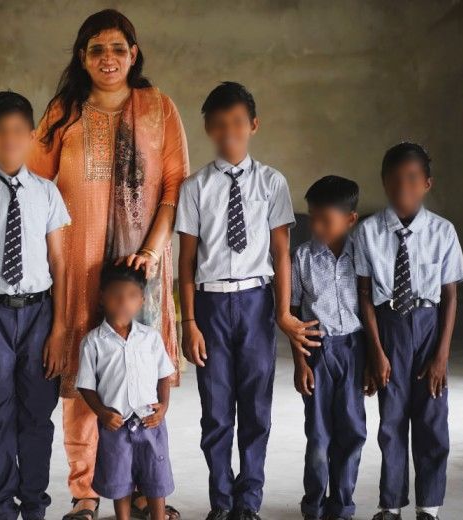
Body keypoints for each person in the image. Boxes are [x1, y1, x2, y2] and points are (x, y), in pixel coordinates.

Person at [0, 9, 188, 520]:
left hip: (138, 269)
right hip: (75, 266)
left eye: (118, 49)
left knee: (140, 373)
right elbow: (26, 183)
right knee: (83, 372)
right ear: (82, 57)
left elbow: (175, 189)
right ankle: (85, 491)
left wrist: (149, 253)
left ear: (134, 53)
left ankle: (146, 488)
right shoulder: (63, 111)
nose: (108, 59)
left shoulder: (159, 109)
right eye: (97, 49)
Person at [176, 81, 316, 520]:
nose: (228, 132)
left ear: (253, 125)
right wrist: (190, 323)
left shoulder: (272, 182)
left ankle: (248, 502)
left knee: (256, 407)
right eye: (219, 125)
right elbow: (186, 260)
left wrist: (283, 312)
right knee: (216, 411)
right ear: (208, 129)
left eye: (237, 122)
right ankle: (221, 503)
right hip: (211, 304)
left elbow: (281, 253)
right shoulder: (195, 187)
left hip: (256, 302)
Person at [0, 90, 71, 520]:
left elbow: (59, 261)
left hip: (39, 314)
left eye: (18, 132)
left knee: (37, 415)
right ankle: (3, 506)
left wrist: (59, 329)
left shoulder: (47, 193)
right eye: (0, 132)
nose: (9, 140)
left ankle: (35, 505)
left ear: (32, 136)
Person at [354, 143, 463, 520]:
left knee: (433, 421)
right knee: (391, 421)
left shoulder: (443, 232)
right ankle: (390, 505)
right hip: (388, 328)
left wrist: (442, 355)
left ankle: (429, 507)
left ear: (427, 184)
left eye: (413, 178)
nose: (404, 185)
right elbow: (365, 296)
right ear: (384, 182)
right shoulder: (367, 232)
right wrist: (376, 351)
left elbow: (450, 297)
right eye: (396, 178)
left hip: (429, 327)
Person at [290, 176, 366, 520]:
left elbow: (371, 307)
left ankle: (342, 505)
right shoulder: (302, 257)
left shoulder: (362, 258)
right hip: (317, 350)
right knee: (318, 435)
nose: (317, 227)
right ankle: (314, 505)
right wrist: (301, 363)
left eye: (326, 220)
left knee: (351, 431)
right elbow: (293, 313)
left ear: (350, 219)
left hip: (353, 348)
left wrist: (373, 359)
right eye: (312, 218)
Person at [77, 263, 175, 520]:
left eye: (132, 296)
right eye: (116, 295)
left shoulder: (150, 338)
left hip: (149, 421)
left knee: (156, 475)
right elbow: (86, 385)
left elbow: (165, 374)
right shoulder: (93, 342)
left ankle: (158, 515)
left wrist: (163, 407)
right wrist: (101, 412)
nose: (123, 302)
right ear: (101, 298)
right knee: (120, 478)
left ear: (142, 301)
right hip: (116, 424)